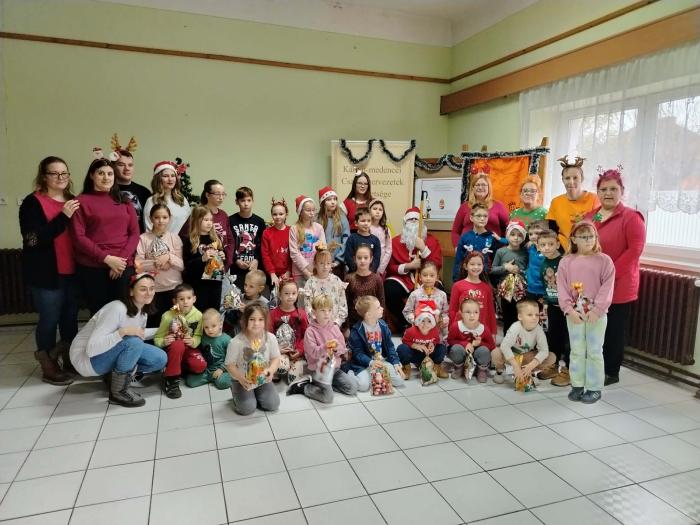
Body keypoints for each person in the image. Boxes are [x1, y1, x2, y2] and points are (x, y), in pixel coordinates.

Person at [19, 156, 80, 384]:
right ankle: (48, 364)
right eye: (54, 173)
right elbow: (32, 239)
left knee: (70, 318)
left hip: (73, 271)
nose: (60, 177)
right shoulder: (32, 202)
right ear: (44, 176)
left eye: (64, 172)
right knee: (49, 319)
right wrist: (63, 217)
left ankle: (70, 358)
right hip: (46, 274)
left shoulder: (73, 200)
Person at [585, 168, 646, 386]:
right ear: (598, 192)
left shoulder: (631, 217)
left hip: (619, 285)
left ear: (622, 191)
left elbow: (634, 251)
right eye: (603, 189)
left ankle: (611, 371)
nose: (608, 193)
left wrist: (608, 276)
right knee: (593, 327)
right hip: (592, 283)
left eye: (613, 189)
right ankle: (592, 365)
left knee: (613, 329)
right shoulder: (591, 216)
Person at [69, 273, 167, 407]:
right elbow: (91, 349)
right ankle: (118, 392)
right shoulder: (116, 308)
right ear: (131, 291)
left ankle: (114, 377)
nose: (149, 293)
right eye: (143, 289)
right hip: (85, 359)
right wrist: (123, 332)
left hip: (109, 351)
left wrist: (166, 329)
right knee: (134, 342)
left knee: (160, 358)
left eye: (152, 288)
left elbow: (139, 333)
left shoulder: (142, 312)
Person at [70, 158, 139, 315]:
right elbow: (78, 237)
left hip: (123, 266)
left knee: (125, 312)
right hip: (94, 268)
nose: (106, 177)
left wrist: (120, 261)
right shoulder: (80, 202)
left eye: (110, 173)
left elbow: (134, 233)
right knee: (100, 313)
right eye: (101, 173)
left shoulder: (124, 201)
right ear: (91, 175)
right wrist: (107, 259)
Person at [557, 220, 615, 404]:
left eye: (591, 236)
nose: (588, 239)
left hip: (596, 315)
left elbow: (607, 287)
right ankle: (577, 385)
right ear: (574, 239)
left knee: (595, 351)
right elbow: (562, 288)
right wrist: (569, 310)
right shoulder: (566, 262)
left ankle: (594, 387)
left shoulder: (604, 261)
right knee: (576, 350)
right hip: (574, 314)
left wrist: (597, 310)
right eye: (583, 236)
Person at [286, 295, 357, 402]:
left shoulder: (335, 327)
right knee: (328, 398)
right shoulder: (310, 331)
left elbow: (343, 348)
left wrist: (337, 348)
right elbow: (313, 353)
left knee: (352, 388)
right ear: (314, 313)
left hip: (334, 369)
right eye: (323, 310)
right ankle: (303, 387)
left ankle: (326, 387)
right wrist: (325, 347)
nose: (327, 313)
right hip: (319, 370)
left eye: (329, 310)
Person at [384, 207, 443, 329]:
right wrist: (408, 266)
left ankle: (430, 324)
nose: (414, 222)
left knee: (438, 289)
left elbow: (437, 264)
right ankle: (406, 323)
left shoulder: (432, 240)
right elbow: (390, 267)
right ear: (405, 223)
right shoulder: (395, 242)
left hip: (426, 277)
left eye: (416, 220)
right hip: (403, 279)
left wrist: (424, 249)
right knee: (390, 289)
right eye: (410, 220)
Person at [225, 302, 281, 415]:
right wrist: (240, 378)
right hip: (242, 380)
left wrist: (270, 371)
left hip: (262, 378)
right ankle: (236, 390)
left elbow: (276, 358)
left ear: (265, 321)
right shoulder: (236, 342)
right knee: (247, 409)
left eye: (261, 319)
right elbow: (229, 365)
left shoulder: (270, 338)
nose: (256, 323)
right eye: (252, 319)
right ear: (244, 320)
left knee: (273, 404)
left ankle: (257, 394)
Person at [154, 283, 206, 398]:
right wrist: (163, 342)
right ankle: (171, 380)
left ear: (194, 299)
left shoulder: (199, 315)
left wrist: (193, 341)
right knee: (178, 345)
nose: (185, 302)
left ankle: (179, 368)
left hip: (189, 349)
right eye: (181, 299)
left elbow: (198, 335)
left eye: (188, 298)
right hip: (173, 349)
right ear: (175, 301)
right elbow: (157, 337)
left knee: (200, 366)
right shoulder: (167, 316)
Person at [135, 204, 184, 327]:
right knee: (153, 324)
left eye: (164, 217)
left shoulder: (175, 238)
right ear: (151, 218)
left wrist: (169, 258)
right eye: (157, 217)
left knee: (175, 324)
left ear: (169, 218)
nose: (161, 221)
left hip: (174, 290)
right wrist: (155, 263)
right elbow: (138, 265)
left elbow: (181, 265)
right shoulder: (143, 238)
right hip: (153, 291)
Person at [344, 295, 405, 392]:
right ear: (368, 314)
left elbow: (390, 347)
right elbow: (358, 354)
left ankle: (375, 375)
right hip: (364, 364)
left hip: (381, 361)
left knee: (399, 380)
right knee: (363, 386)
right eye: (378, 307)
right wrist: (371, 362)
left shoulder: (383, 326)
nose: (382, 308)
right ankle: (351, 372)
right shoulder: (357, 331)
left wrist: (396, 363)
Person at [492, 299, 557, 385]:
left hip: (526, 357)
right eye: (530, 315)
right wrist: (515, 366)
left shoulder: (538, 329)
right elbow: (505, 346)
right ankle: (500, 371)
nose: (534, 317)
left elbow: (544, 351)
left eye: (537, 315)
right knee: (496, 352)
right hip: (512, 357)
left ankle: (529, 372)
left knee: (551, 356)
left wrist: (531, 366)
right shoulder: (515, 327)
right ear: (520, 317)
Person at [546, 155, 600, 249]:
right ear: (563, 180)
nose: (571, 181)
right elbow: (552, 231)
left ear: (582, 179)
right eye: (567, 178)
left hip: (588, 249)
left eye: (575, 178)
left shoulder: (594, 199)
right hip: (563, 249)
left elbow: (600, 226)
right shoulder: (556, 202)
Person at [537, 229, 569, 385]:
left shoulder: (564, 262)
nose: (547, 248)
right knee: (554, 337)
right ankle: (553, 365)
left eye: (550, 244)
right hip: (552, 306)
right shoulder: (543, 263)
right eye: (543, 245)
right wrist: (546, 303)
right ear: (538, 247)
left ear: (557, 244)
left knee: (568, 340)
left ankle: (569, 370)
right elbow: (545, 285)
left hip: (567, 308)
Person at [182, 180, 234, 272]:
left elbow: (230, 239)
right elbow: (184, 237)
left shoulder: (223, 215)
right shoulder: (198, 214)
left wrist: (227, 259)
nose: (221, 197)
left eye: (223, 194)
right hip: (200, 270)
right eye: (217, 194)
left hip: (220, 267)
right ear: (207, 195)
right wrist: (200, 258)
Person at [451, 166, 509, 246]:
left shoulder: (499, 206)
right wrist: (458, 247)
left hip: (493, 249)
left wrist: (504, 247)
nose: (480, 187)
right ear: (473, 188)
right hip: (468, 249)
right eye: (477, 185)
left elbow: (508, 228)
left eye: (484, 185)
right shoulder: (464, 206)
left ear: (489, 188)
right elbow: (455, 232)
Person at [182, 206, 226, 311]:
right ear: (196, 220)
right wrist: (202, 259)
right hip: (198, 286)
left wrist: (222, 256)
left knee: (213, 314)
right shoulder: (189, 240)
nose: (209, 223)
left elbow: (220, 262)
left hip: (215, 285)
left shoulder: (216, 239)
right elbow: (187, 267)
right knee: (198, 315)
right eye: (206, 220)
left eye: (211, 220)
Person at [491, 221, 528, 334]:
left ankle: (520, 338)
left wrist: (520, 271)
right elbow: (493, 269)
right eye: (513, 234)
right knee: (507, 316)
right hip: (505, 290)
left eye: (519, 235)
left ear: (523, 237)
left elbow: (528, 269)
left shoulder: (525, 252)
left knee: (520, 315)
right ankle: (507, 337)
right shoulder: (501, 251)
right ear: (507, 236)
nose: (516, 238)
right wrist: (505, 267)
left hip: (521, 290)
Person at [446, 298, 496, 382]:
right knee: (456, 349)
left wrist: (480, 343)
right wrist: (465, 344)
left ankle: (481, 370)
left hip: (477, 355)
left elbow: (492, 346)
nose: (472, 315)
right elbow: (450, 340)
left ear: (479, 313)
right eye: (468, 312)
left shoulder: (484, 328)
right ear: (461, 313)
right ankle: (459, 367)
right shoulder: (456, 326)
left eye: (476, 312)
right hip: (463, 354)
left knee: (484, 350)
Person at [452, 202, 506, 281]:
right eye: (479, 216)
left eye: (485, 216)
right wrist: (456, 280)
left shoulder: (492, 238)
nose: (482, 218)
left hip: (486, 279)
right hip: (467, 279)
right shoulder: (465, 237)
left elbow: (496, 262)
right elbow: (458, 261)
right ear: (471, 217)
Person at [269, 279, 308, 383]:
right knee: (281, 368)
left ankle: (297, 366)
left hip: (297, 354)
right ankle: (280, 368)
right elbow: (269, 335)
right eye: (286, 293)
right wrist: (277, 349)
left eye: (293, 293)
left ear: (297, 294)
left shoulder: (302, 314)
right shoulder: (273, 314)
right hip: (280, 352)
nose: (290, 296)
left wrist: (300, 351)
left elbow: (306, 336)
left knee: (292, 379)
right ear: (280, 295)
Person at [449, 251, 497, 336]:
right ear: (465, 266)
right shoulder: (457, 286)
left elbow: (491, 312)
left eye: (479, 264)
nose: (476, 267)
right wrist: (451, 330)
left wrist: (493, 333)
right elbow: (452, 310)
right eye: (472, 264)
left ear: (483, 266)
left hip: (481, 332)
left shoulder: (487, 288)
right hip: (461, 330)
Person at [397, 303, 448, 380]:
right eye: (422, 321)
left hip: (428, 355)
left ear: (433, 323)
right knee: (402, 348)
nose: (425, 324)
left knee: (441, 348)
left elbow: (436, 340)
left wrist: (432, 344)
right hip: (414, 354)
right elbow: (405, 341)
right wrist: (416, 345)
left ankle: (437, 367)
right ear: (418, 321)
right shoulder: (411, 331)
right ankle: (406, 368)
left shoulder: (434, 331)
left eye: (429, 321)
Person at [186, 308, 233, 390]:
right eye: (206, 327)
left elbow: (231, 357)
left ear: (220, 324)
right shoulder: (203, 338)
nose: (210, 330)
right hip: (207, 370)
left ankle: (227, 377)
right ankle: (211, 378)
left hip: (221, 369)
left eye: (213, 326)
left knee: (222, 383)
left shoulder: (227, 339)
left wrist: (221, 369)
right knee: (190, 381)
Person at [402, 261, 449, 340]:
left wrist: (443, 321)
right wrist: (414, 319)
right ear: (420, 277)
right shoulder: (415, 294)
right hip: (418, 332)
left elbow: (445, 313)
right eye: (425, 275)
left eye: (432, 275)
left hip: (436, 334)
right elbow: (407, 311)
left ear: (437, 277)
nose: (428, 278)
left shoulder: (442, 295)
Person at [229, 186, 266, 285]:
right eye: (242, 200)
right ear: (236, 202)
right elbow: (228, 244)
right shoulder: (230, 221)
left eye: (249, 200)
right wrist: (236, 260)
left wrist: (257, 260)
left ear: (253, 201)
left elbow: (263, 245)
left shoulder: (259, 221)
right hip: (236, 268)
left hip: (254, 267)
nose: (246, 204)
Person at [302, 248, 348, 327]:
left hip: (334, 325)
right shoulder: (310, 283)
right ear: (315, 264)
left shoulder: (336, 281)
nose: (325, 266)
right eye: (321, 263)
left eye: (328, 263)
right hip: (317, 327)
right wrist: (316, 322)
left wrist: (337, 323)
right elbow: (308, 306)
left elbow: (343, 304)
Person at [144, 161, 191, 234]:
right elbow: (149, 229)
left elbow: (189, 223)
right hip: (161, 240)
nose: (170, 179)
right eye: (165, 176)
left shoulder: (182, 199)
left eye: (173, 175)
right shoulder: (152, 201)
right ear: (158, 179)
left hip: (183, 240)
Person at [345, 245, 385, 329]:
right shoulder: (349, 279)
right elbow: (345, 304)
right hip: (354, 324)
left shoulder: (377, 279)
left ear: (371, 259)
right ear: (354, 259)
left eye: (366, 258)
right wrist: (346, 327)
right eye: (359, 258)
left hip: (373, 323)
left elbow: (381, 302)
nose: (362, 261)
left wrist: (381, 325)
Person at [289, 195, 326, 286]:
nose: (312, 213)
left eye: (313, 210)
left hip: (316, 271)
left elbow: (323, 249)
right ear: (300, 212)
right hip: (300, 273)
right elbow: (294, 252)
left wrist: (319, 267)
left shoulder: (319, 227)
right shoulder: (294, 228)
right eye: (308, 210)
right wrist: (306, 271)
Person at [114, 149, 151, 232]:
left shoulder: (144, 192)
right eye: (121, 165)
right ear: (113, 167)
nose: (127, 168)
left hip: (140, 238)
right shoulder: (106, 191)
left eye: (130, 165)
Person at [318, 186, 349, 279]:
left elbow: (346, 238)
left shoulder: (342, 218)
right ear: (323, 203)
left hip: (337, 264)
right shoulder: (317, 219)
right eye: (329, 199)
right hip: (322, 263)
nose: (333, 202)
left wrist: (338, 260)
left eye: (335, 199)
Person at [261, 198, 292, 290]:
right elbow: (265, 255)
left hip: (288, 273)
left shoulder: (292, 231)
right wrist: (272, 273)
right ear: (272, 215)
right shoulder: (267, 232)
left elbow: (294, 253)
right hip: (273, 275)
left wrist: (289, 271)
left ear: (286, 214)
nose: (278, 217)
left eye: (281, 214)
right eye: (275, 214)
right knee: (274, 297)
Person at [344, 208, 381, 274]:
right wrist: (358, 271)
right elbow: (348, 257)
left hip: (370, 274)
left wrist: (369, 272)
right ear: (356, 223)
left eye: (369, 221)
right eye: (363, 221)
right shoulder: (352, 238)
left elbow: (376, 260)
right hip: (354, 274)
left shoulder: (375, 240)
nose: (366, 223)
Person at [368, 198, 392, 275]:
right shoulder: (366, 227)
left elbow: (389, 250)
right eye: (375, 209)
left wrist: (381, 269)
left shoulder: (386, 229)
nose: (377, 212)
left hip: (381, 266)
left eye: (380, 210)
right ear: (369, 211)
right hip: (366, 265)